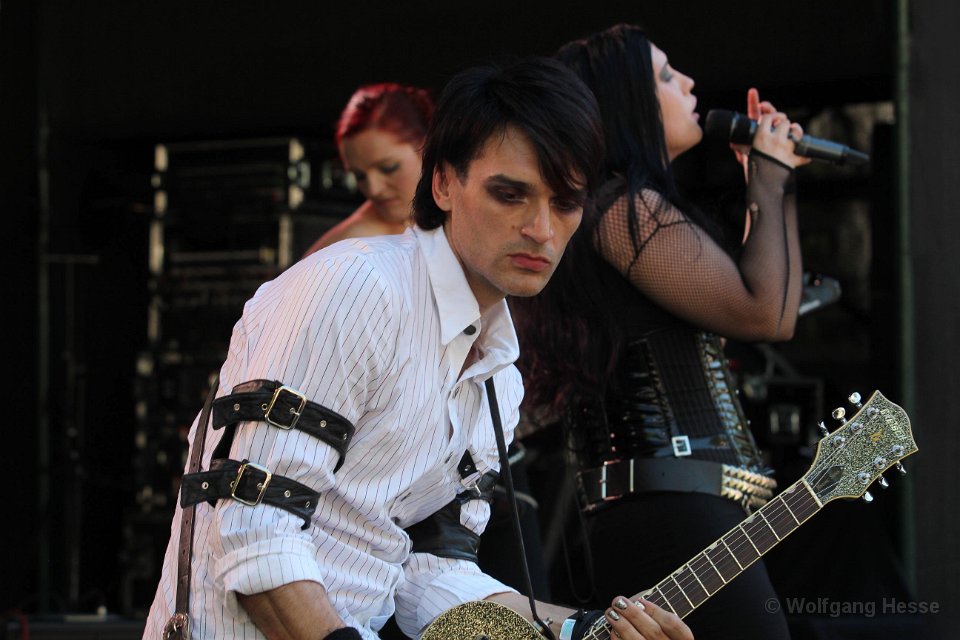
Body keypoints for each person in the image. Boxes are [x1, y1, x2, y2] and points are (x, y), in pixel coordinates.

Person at [144, 57, 694, 640]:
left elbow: (431, 572)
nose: (542, 229)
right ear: (443, 183)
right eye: (510, 194)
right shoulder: (357, 287)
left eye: (565, 203)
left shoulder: (499, 376)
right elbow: (257, 528)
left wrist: (579, 631)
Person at [511, 24, 809, 639]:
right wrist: (769, 179)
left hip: (670, 501)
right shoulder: (623, 208)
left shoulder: (620, 207)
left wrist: (771, 181)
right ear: (629, 104)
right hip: (670, 502)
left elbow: (768, 304)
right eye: (668, 76)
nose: (690, 84)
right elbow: (767, 314)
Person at [304, 82, 433, 255]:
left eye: (388, 168)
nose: (374, 190)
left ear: (428, 147)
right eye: (359, 176)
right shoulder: (356, 245)